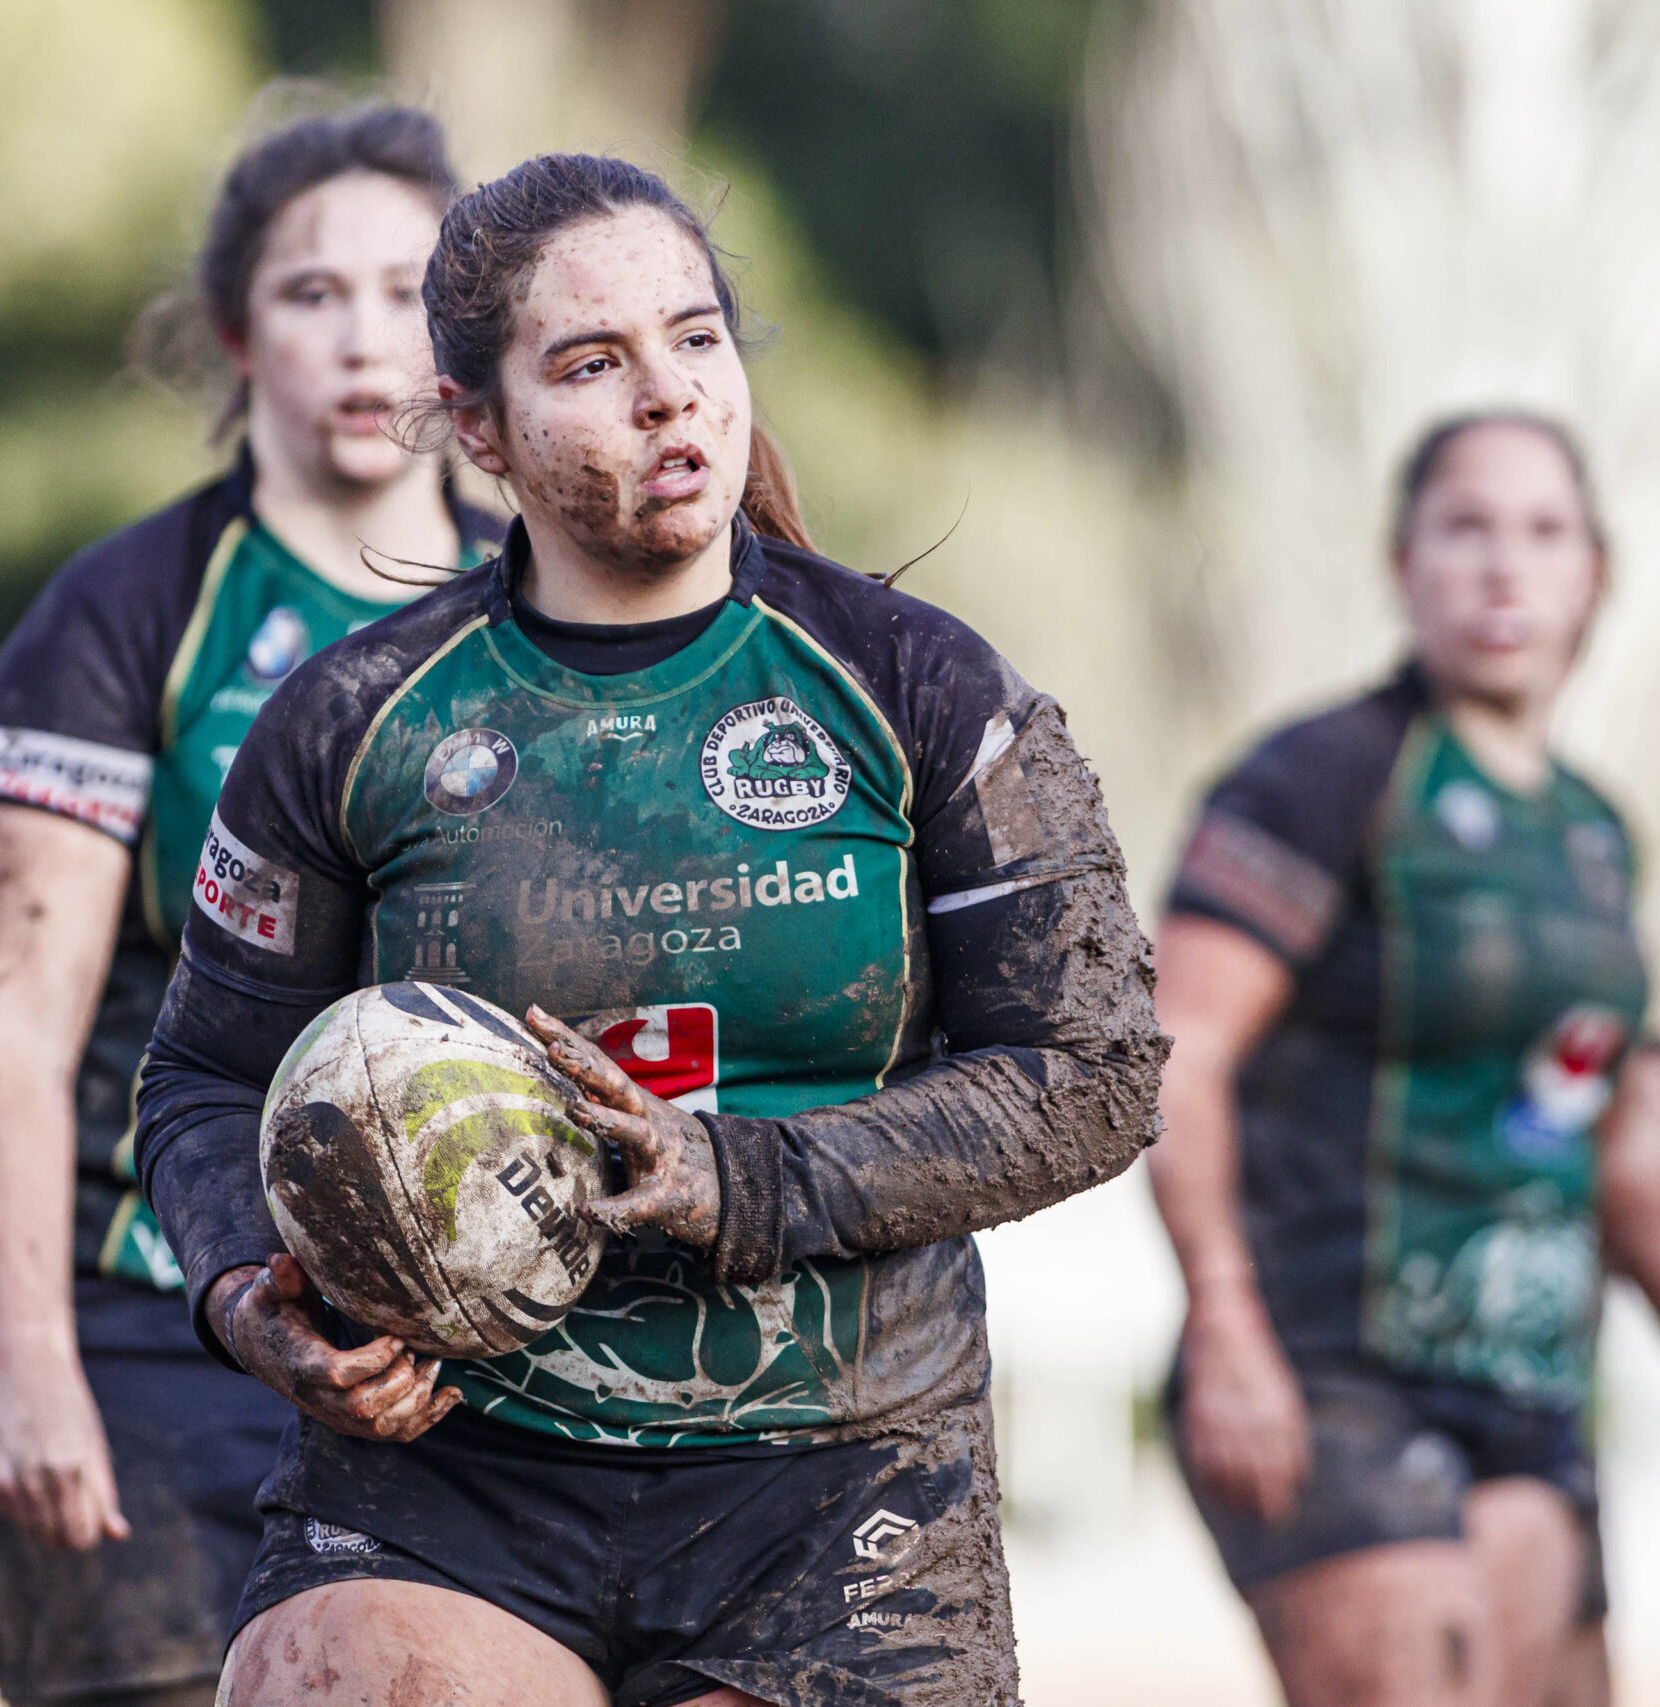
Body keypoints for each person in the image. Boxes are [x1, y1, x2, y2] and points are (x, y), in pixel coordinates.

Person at [130, 151, 1163, 1707]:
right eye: (592, 364)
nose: (670, 394)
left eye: (696, 338)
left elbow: (1094, 1072)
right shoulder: (352, 720)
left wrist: (737, 1178)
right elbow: (203, 1079)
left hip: (840, 1485)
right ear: (477, 428)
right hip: (453, 1470)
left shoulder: (925, 690)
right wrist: (243, 1301)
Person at [0, 103, 503, 1707]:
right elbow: (4, 1033)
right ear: (239, 336)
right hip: (144, 1339)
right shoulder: (129, 612)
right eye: (314, 293)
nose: (366, 338)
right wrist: (31, 1373)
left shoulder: (542, 606)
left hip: (446, 1370)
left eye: (407, 293)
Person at [1151, 411, 1660, 1707]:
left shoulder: (1592, 837)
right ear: (1403, 564)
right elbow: (1179, 1059)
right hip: (1332, 1368)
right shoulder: (1322, 778)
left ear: (1594, 574)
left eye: (1544, 531)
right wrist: (1223, 1324)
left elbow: (1605, 1137)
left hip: (1530, 1387)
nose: (1505, 567)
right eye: (1465, 529)